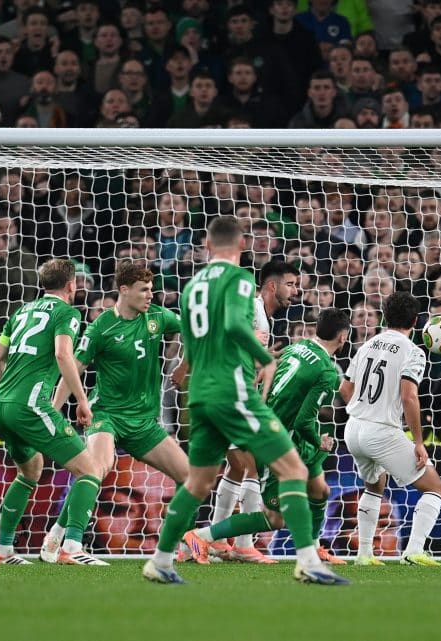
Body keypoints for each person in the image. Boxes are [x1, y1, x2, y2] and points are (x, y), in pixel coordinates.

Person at [142, 216, 347, 585]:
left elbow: (191, 334)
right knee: (293, 469)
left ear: (206, 245)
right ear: (239, 247)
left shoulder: (192, 288)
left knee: (198, 482)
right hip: (233, 391)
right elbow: (239, 327)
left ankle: (161, 559)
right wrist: (266, 357)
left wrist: (185, 367)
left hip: (200, 395)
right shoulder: (238, 281)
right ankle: (306, 561)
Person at [41, 261, 189, 562]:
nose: (151, 295)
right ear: (124, 290)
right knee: (97, 468)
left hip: (145, 422)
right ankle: (70, 543)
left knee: (190, 476)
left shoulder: (158, 318)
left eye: (152, 289)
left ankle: (181, 545)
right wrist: (53, 413)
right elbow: (74, 369)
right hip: (106, 415)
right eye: (143, 290)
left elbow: (195, 330)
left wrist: (186, 364)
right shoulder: (100, 327)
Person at [180, 308, 350, 564]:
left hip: (276, 427)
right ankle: (201, 535)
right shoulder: (327, 371)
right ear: (343, 337)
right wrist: (321, 441)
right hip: (277, 438)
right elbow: (304, 421)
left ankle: (315, 547)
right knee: (275, 518)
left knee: (320, 489)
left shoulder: (297, 346)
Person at [0, 258, 106, 566]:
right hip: (30, 405)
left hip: (1, 404)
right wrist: (81, 400)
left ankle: (2, 550)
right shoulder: (67, 313)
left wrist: (7, 394)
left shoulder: (22, 311)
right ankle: (72, 547)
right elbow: (63, 354)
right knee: (89, 470)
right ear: (72, 285)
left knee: (30, 471)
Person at [201, 259, 300, 565]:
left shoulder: (262, 318)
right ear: (272, 286)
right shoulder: (252, 310)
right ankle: (243, 544)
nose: (296, 291)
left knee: (237, 467)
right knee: (253, 467)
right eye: (291, 284)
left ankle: (216, 543)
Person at [338, 291, 441, 566]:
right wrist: (419, 442)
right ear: (416, 320)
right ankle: (413, 551)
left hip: (353, 429)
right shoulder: (413, 351)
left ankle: (364, 555)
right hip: (380, 432)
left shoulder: (367, 345)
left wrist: (364, 411)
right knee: (435, 488)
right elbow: (409, 396)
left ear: (384, 316)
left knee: (374, 486)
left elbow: (345, 387)